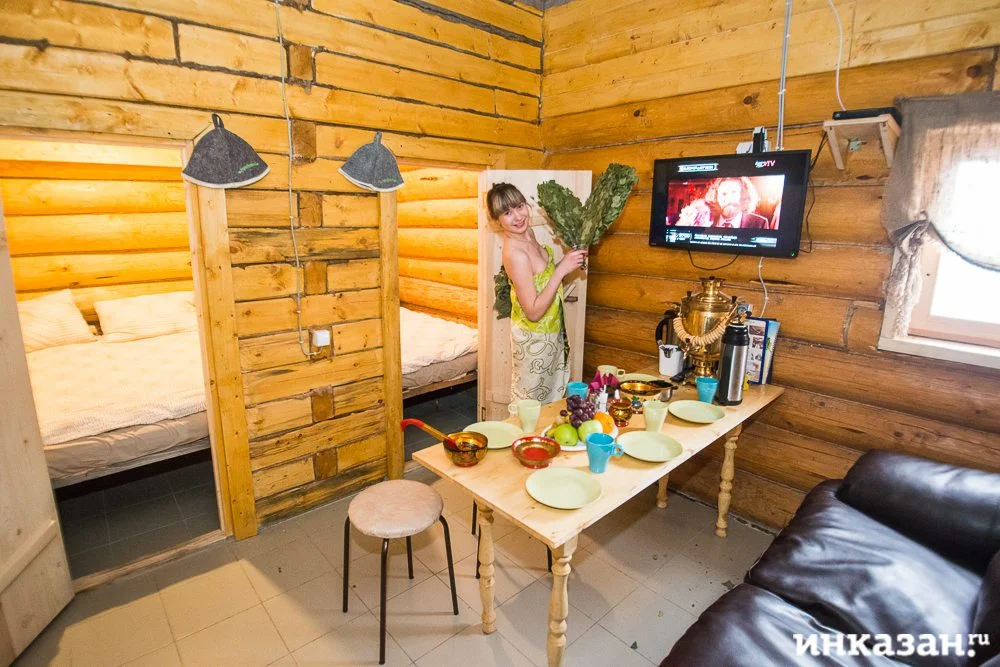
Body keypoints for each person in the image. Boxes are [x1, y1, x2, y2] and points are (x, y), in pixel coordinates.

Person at [487, 183, 587, 405]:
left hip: (552, 333)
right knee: (529, 405)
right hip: (533, 340)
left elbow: (543, 281)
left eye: (519, 206)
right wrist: (561, 271)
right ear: (497, 221)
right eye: (507, 213)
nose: (518, 216)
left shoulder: (528, 234)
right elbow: (532, 311)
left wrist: (570, 261)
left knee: (550, 402)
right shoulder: (515, 254)